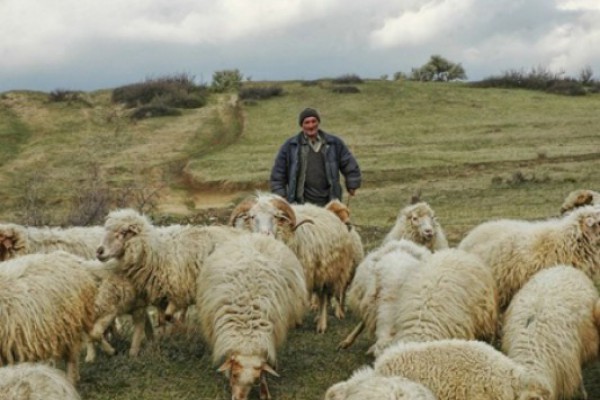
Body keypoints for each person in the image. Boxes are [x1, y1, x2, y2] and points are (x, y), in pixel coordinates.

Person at [270, 107, 361, 206]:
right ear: (302, 125)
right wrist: (281, 194)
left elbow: (348, 163)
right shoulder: (291, 146)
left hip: (330, 202)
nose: (311, 125)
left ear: (318, 122)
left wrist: (352, 183)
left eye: (314, 121)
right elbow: (278, 174)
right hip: (301, 204)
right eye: (307, 122)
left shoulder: (334, 143)